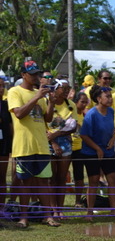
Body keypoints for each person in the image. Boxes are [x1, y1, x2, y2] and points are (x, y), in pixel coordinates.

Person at [8, 60, 59, 228]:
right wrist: (37, 97)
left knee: (44, 182)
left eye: (37, 73)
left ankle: (47, 216)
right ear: (23, 75)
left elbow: (47, 119)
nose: (36, 77)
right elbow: (19, 113)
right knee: (25, 182)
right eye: (32, 74)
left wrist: (51, 102)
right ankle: (24, 218)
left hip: (41, 145)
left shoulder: (40, 94)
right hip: (24, 145)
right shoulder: (15, 91)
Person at [80, 85, 115, 220]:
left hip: (107, 151)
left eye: (111, 96)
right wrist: (97, 148)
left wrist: (113, 139)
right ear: (98, 98)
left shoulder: (111, 111)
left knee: (113, 179)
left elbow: (112, 129)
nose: (110, 99)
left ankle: (114, 209)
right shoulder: (91, 114)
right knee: (94, 180)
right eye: (107, 97)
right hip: (91, 152)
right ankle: (89, 212)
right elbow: (84, 135)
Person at [47, 79, 78, 219]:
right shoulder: (47, 102)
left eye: (68, 88)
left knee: (62, 177)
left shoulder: (71, 105)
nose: (67, 91)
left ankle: (60, 209)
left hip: (65, 140)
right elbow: (42, 124)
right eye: (63, 88)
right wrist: (53, 141)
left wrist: (58, 134)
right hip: (49, 141)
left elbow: (74, 127)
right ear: (55, 89)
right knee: (51, 178)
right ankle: (53, 209)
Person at [70, 92, 89, 208]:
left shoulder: (86, 116)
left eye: (86, 102)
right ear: (75, 102)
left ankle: (78, 201)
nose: (84, 104)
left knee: (79, 176)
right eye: (82, 102)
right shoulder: (70, 113)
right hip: (67, 148)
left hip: (80, 149)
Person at [0, 77, 13, 211]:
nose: (1, 89)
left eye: (3, 86)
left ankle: (1, 208)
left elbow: (10, 126)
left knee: (2, 177)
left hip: (3, 144)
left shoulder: (6, 105)